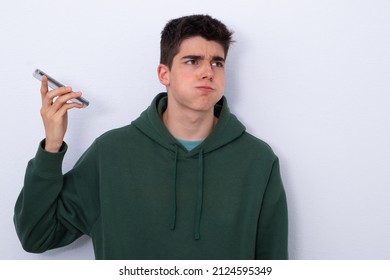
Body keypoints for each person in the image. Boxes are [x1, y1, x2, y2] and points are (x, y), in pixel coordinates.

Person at [14, 14, 288, 259]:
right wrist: (51, 147)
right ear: (164, 73)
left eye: (217, 63)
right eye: (192, 61)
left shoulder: (257, 160)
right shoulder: (111, 153)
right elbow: (36, 236)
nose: (208, 72)